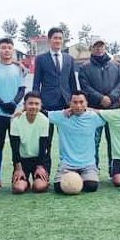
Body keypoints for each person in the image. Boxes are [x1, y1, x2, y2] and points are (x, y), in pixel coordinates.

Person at [0, 38, 26, 190]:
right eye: (3, 47)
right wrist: (3, 105)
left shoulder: (18, 69)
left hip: (16, 115)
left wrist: (14, 103)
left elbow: (22, 89)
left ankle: (18, 176)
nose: (6, 50)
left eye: (9, 47)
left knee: (17, 146)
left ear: (13, 50)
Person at [78, 40, 120, 171]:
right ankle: (92, 169)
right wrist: (101, 98)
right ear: (91, 49)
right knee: (93, 142)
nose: (99, 49)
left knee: (114, 142)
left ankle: (114, 170)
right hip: (94, 110)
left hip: (113, 109)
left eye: (101, 46)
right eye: (96, 46)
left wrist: (111, 97)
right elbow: (85, 87)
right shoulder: (84, 67)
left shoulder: (116, 66)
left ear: (105, 48)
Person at [32, 27, 78, 156]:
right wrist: (36, 103)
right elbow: (36, 82)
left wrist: (74, 102)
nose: (58, 41)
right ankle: (44, 171)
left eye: (60, 38)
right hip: (48, 104)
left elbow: (72, 82)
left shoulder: (69, 58)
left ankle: (69, 169)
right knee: (46, 140)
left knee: (68, 139)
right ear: (49, 40)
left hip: (66, 103)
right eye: (55, 38)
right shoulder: (41, 59)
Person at [49, 91, 105, 194]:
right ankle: (76, 177)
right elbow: (42, 113)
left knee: (91, 186)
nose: (78, 105)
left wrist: (91, 110)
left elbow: (112, 115)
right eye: (75, 102)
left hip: (88, 164)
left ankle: (82, 177)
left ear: (86, 103)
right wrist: (22, 109)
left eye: (81, 102)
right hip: (67, 164)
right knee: (58, 188)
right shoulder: (62, 116)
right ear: (70, 103)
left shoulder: (93, 117)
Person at [9, 91, 50, 194]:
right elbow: (14, 147)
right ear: (24, 105)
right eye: (30, 103)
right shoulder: (16, 120)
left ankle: (38, 180)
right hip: (22, 161)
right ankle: (25, 181)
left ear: (41, 106)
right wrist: (18, 168)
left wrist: (40, 166)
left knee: (40, 187)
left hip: (39, 160)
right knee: (19, 188)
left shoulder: (44, 120)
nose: (33, 106)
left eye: (37, 104)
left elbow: (43, 145)